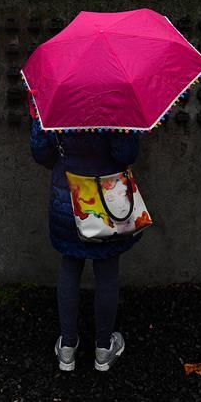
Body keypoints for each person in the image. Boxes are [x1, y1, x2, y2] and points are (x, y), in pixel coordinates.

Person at [29, 117, 145, 372]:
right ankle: (104, 350)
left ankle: (67, 349)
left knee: (70, 266)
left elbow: (41, 152)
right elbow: (125, 154)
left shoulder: (51, 101)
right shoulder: (115, 104)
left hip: (67, 199)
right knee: (107, 270)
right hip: (108, 201)